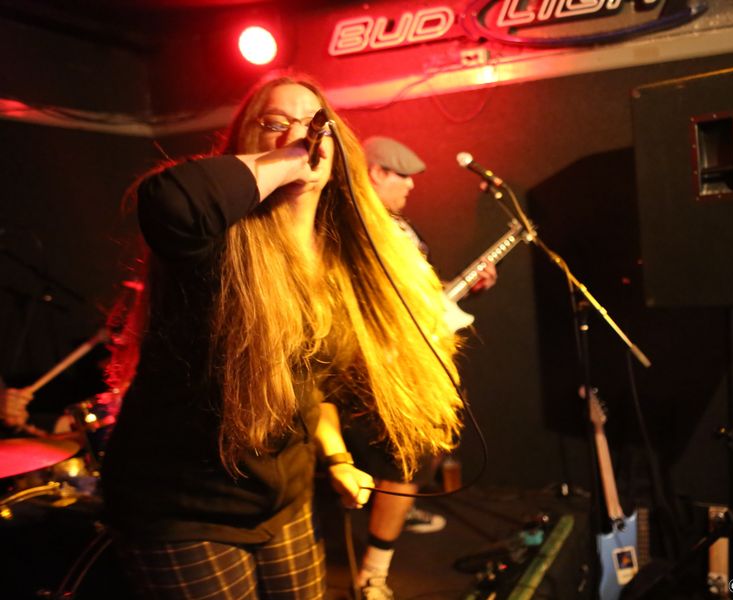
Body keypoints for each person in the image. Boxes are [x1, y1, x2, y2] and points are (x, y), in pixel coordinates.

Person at [100, 73, 464, 600]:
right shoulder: (215, 245)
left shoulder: (337, 261)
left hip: (282, 503)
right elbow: (170, 201)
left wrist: (337, 458)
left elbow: (311, 391)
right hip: (184, 511)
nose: (298, 134)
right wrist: (293, 156)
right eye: (274, 123)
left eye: (315, 125)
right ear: (242, 143)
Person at [342, 136, 497, 599]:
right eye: (402, 176)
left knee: (420, 455)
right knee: (403, 461)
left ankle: (398, 516)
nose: (411, 186)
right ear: (375, 173)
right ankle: (372, 575)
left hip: (414, 362)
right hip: (381, 367)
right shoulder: (356, 226)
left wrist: (464, 286)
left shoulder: (401, 229)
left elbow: (419, 294)